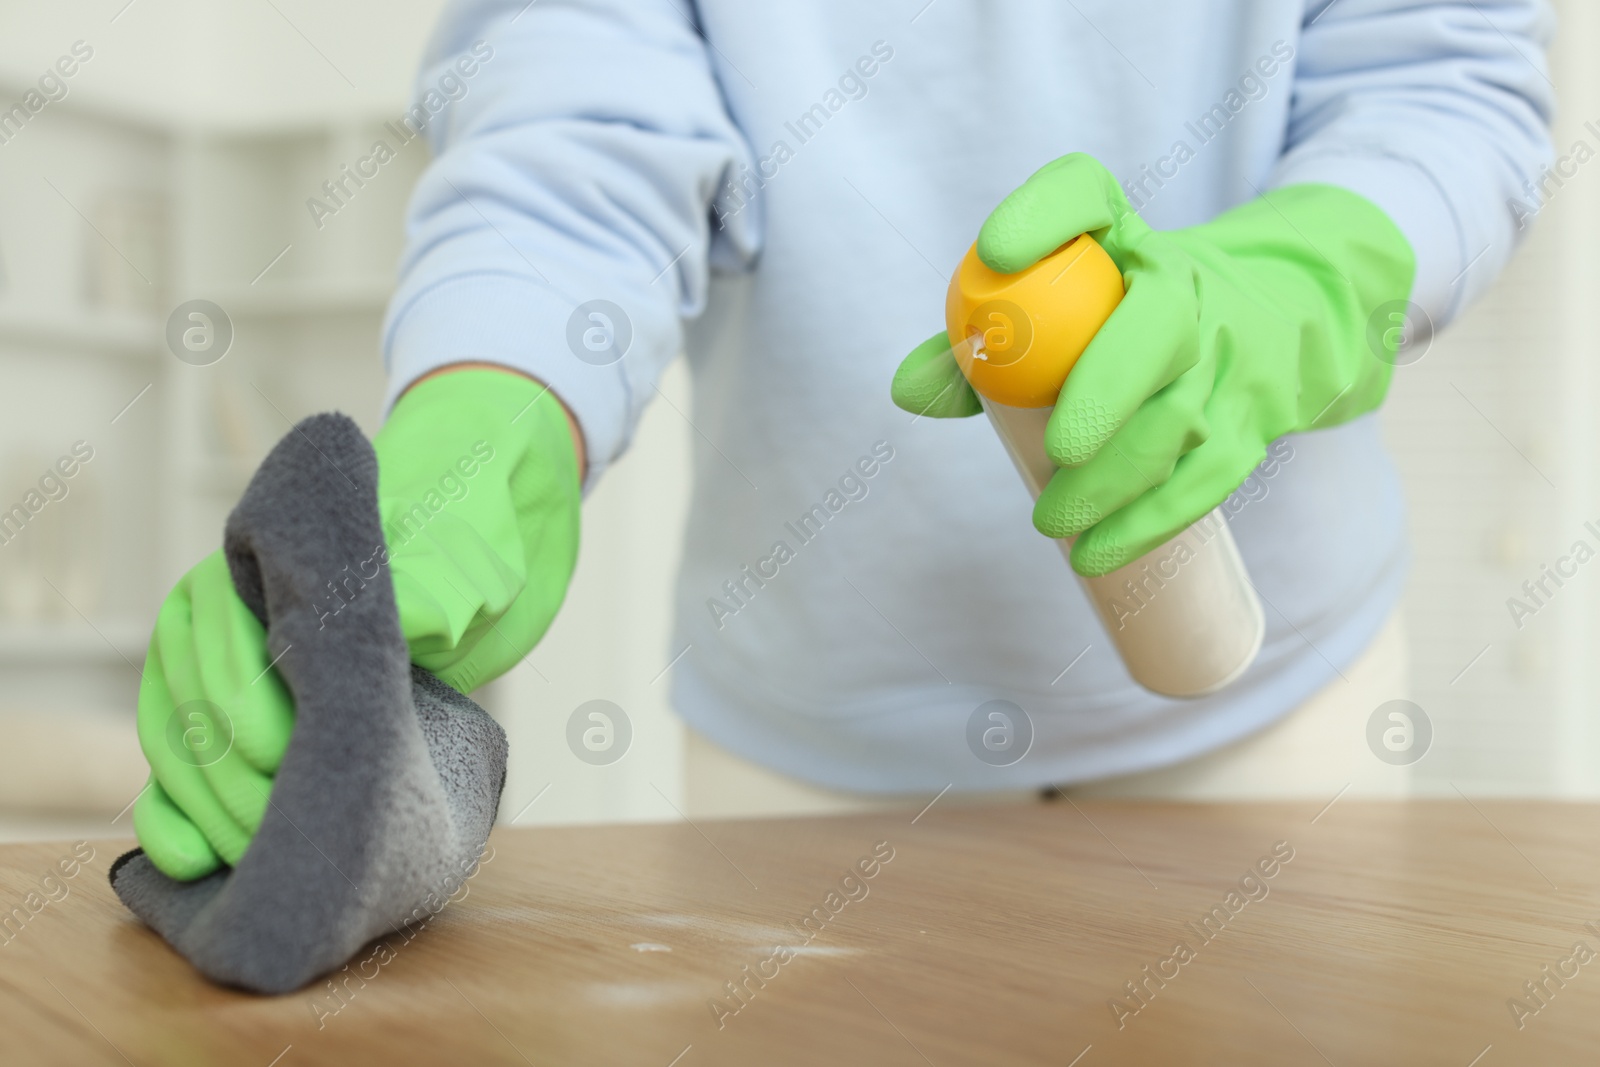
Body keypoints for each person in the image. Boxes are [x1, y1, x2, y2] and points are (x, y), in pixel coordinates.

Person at [131, 0, 1554, 878]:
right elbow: (577, 115)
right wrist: (496, 399)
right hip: (809, 741)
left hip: (1265, 705)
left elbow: (1436, 81)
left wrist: (1294, 289)